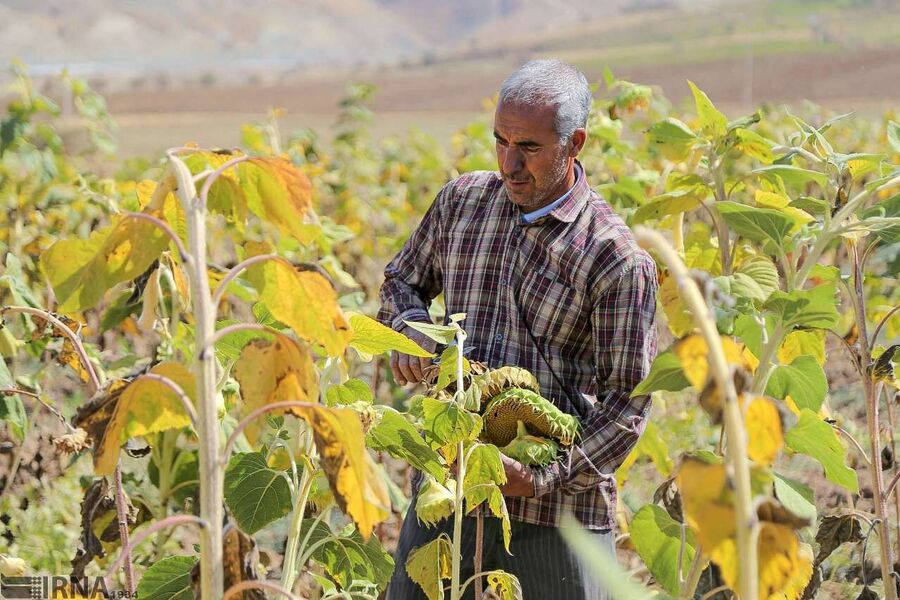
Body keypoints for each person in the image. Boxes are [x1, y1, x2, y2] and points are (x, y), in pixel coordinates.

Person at [377, 58, 659, 600]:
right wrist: (411, 326)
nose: (510, 163)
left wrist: (542, 477)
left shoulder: (612, 258)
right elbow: (400, 281)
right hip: (451, 485)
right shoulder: (463, 203)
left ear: (574, 144)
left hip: (556, 513)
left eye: (528, 147)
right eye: (500, 141)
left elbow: (628, 404)